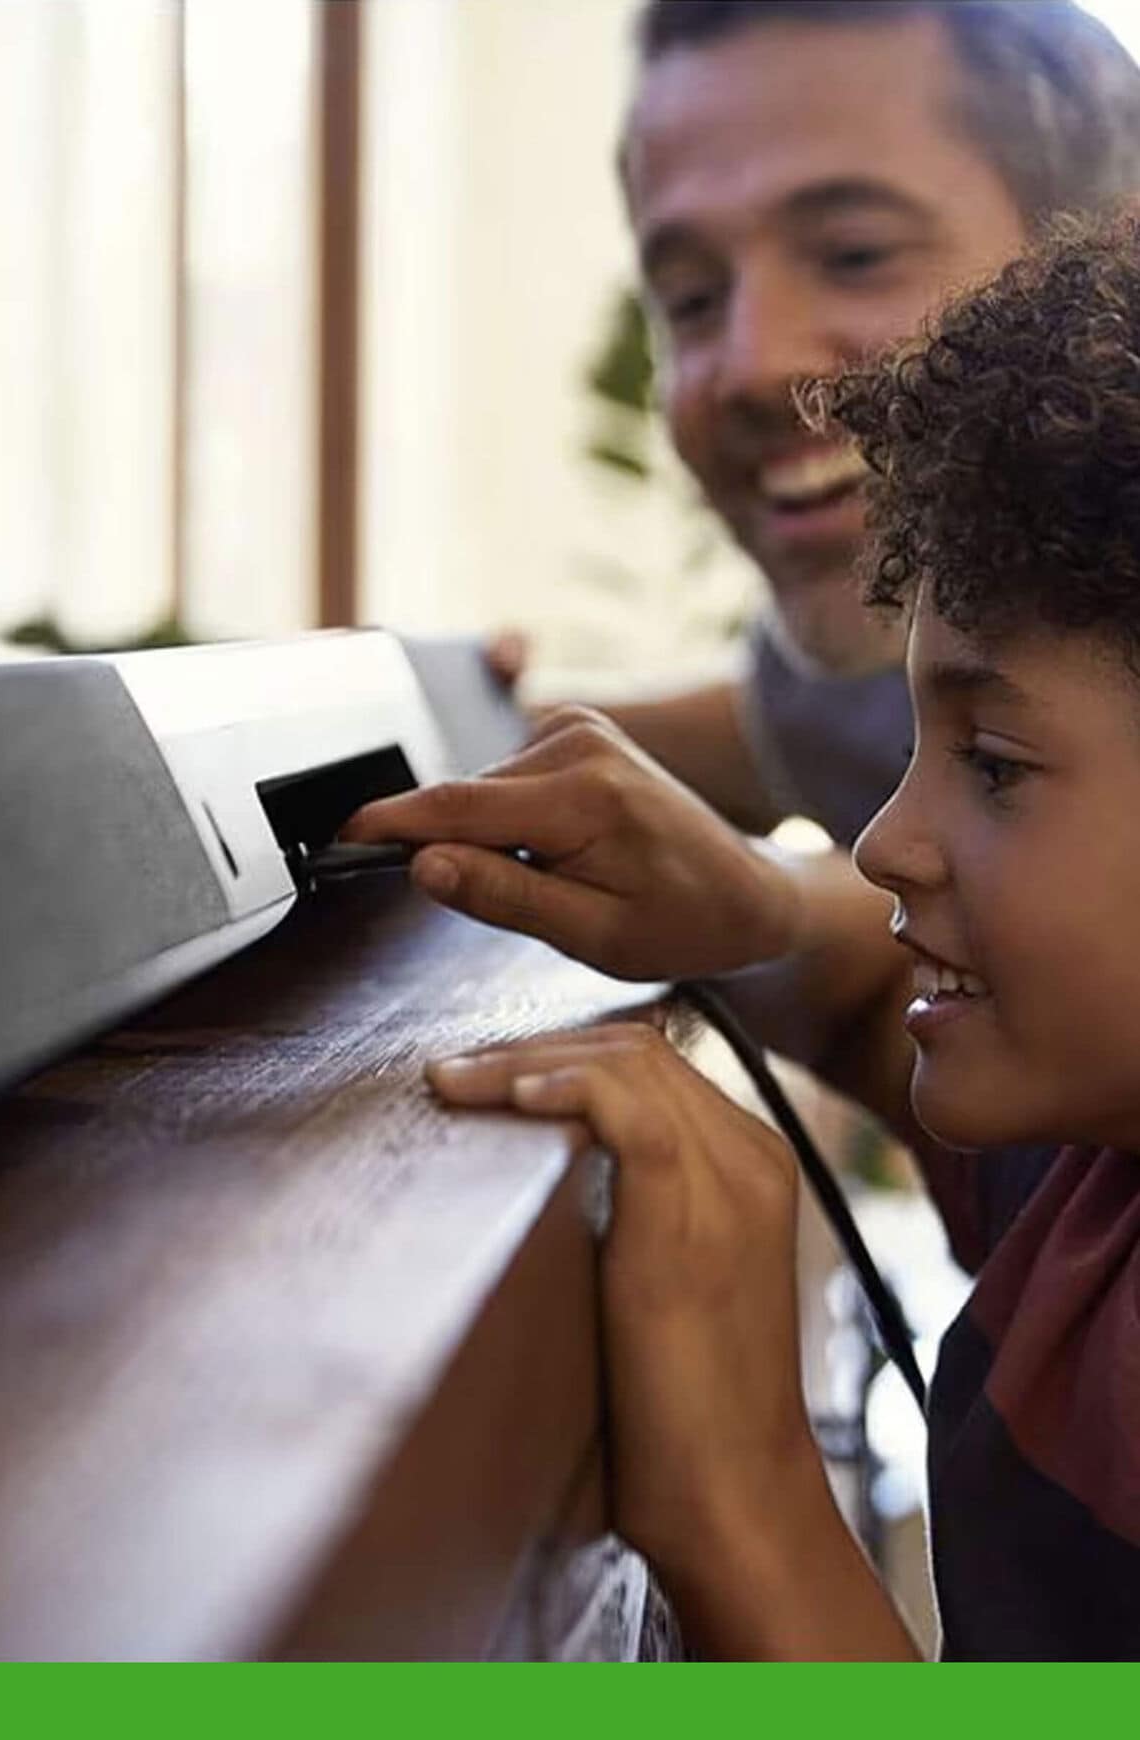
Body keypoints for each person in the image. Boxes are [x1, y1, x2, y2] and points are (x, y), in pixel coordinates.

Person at [429, 212, 1140, 1659]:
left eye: (993, 763)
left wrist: (740, 1499)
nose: (880, 840)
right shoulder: (1086, 1165)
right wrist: (745, 906)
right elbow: (862, 968)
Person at [347, 1, 1140, 1174]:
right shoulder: (842, 665)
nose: (752, 364)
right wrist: (434, 736)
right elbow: (763, 725)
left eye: (856, 252)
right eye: (690, 300)